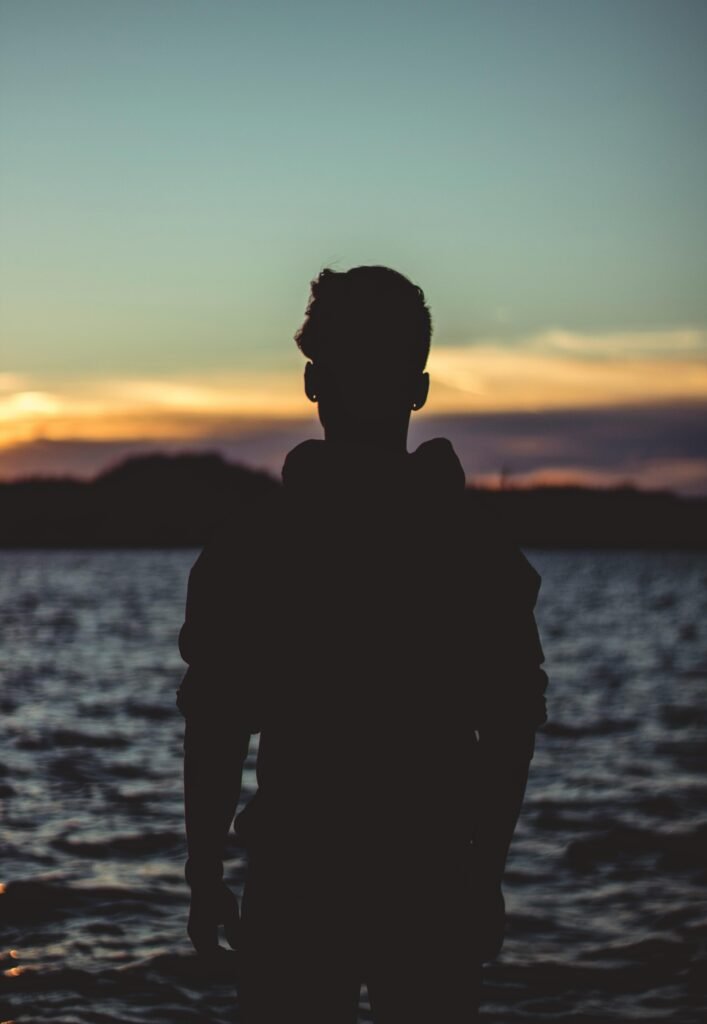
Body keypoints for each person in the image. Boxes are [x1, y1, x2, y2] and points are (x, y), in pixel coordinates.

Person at [177, 266, 548, 1023]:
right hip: (432, 883)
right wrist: (484, 875)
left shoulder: (252, 549)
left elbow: (216, 724)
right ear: (419, 388)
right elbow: (511, 725)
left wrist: (206, 872)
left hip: (298, 884)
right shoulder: (476, 551)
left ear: (313, 382)